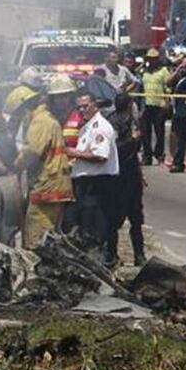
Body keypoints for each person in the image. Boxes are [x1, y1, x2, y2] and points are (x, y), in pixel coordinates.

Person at [11, 83, 74, 249]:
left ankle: (38, 270)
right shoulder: (49, 119)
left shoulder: (40, 121)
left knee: (37, 237)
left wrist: (13, 167)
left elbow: (31, 152)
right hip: (54, 185)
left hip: (47, 187)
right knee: (50, 236)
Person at [67, 92, 120, 265]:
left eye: (85, 106)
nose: (82, 110)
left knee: (96, 230)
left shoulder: (99, 127)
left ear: (95, 105)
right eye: (79, 107)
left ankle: (100, 262)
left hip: (97, 184)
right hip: (87, 183)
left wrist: (72, 153)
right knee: (86, 227)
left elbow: (100, 155)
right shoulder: (87, 126)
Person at [108, 92, 146, 265]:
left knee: (136, 219)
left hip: (132, 175)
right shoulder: (113, 122)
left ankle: (139, 254)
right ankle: (111, 254)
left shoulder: (133, 121)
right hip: (118, 177)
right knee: (114, 219)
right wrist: (132, 139)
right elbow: (115, 149)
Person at [140, 48, 170, 165]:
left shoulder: (163, 71)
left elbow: (167, 88)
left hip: (159, 105)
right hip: (146, 105)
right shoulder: (144, 71)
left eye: (154, 59)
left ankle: (159, 154)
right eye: (149, 59)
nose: (152, 61)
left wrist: (166, 102)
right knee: (145, 132)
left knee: (159, 132)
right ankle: (147, 155)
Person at [167, 56, 186, 172]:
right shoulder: (179, 78)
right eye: (183, 66)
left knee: (185, 138)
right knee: (178, 137)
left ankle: (180, 162)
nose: (184, 68)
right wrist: (178, 69)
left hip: (185, 112)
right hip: (178, 111)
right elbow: (168, 82)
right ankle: (177, 160)